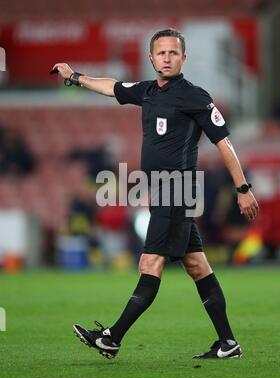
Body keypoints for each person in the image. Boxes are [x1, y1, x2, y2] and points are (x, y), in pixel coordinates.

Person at [52, 28, 259, 360]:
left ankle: (112, 337)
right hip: (162, 190)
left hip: (176, 190)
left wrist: (243, 188)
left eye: (173, 53)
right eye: (161, 53)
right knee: (197, 265)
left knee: (150, 262)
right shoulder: (147, 91)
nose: (167, 58)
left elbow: (224, 142)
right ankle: (228, 343)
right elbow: (112, 86)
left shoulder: (195, 96)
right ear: (151, 58)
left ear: (183, 58)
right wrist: (75, 77)